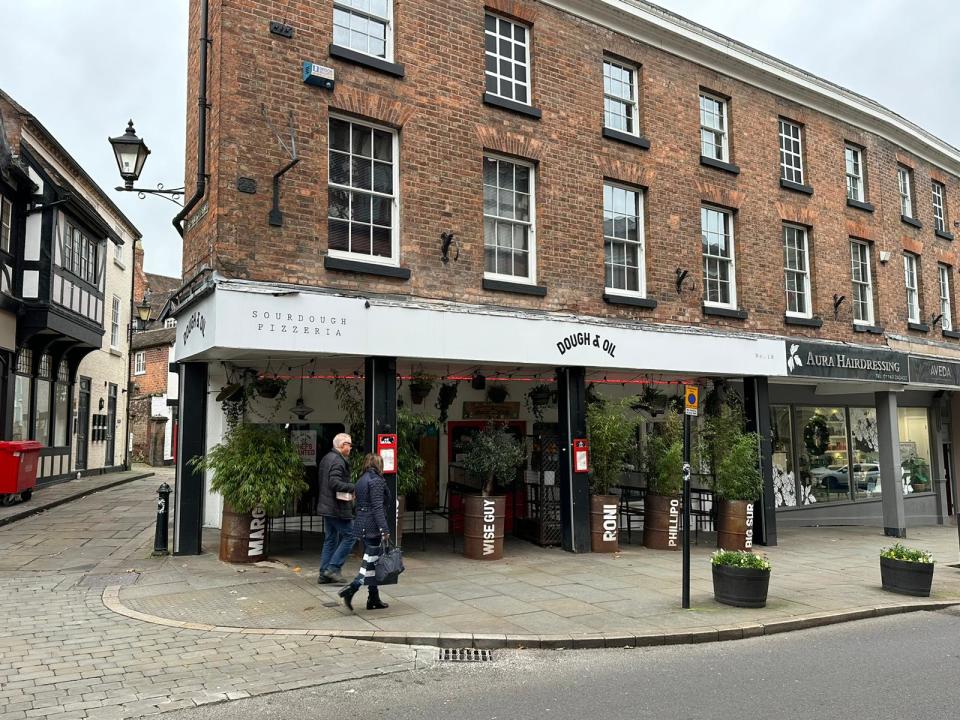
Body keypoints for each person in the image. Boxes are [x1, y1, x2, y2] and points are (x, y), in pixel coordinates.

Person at [338, 453, 391, 612]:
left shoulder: (361, 479)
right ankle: (352, 589)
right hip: (373, 526)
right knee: (370, 563)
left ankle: (373, 598)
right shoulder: (376, 481)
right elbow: (377, 507)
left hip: (362, 524)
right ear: (378, 464)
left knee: (372, 561)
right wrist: (384, 529)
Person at [316, 433, 356, 584]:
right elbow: (334, 483)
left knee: (331, 538)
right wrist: (353, 488)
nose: (351, 448)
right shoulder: (338, 461)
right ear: (342, 445)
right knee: (351, 535)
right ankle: (332, 568)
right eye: (349, 444)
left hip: (327, 505)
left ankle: (323, 574)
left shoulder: (327, 458)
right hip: (335, 507)